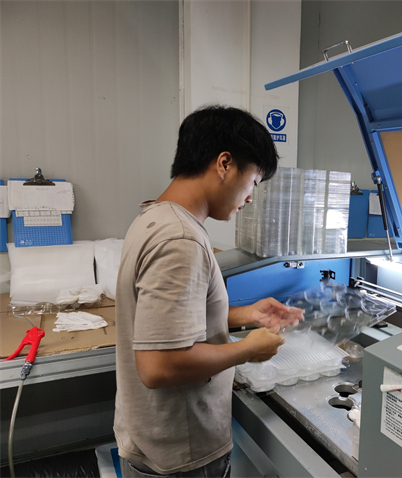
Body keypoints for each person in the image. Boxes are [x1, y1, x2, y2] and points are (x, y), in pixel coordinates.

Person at [114, 105, 302, 477]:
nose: (251, 197)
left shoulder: (155, 217)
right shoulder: (180, 239)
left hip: (154, 441)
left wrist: (246, 315)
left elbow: (166, 322)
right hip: (180, 456)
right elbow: (159, 366)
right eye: (253, 181)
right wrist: (247, 349)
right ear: (224, 163)